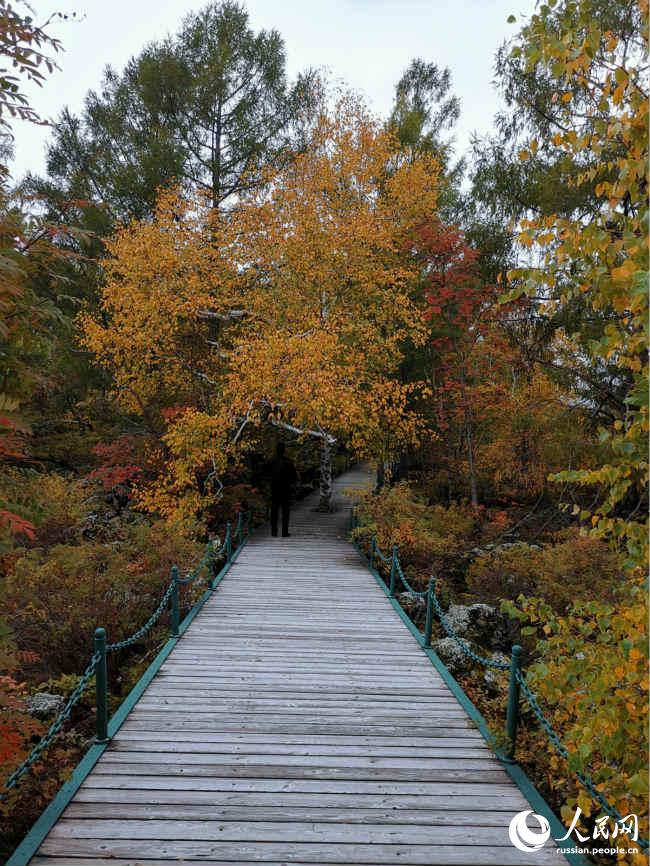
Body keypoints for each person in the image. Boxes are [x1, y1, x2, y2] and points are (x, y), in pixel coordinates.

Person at [268, 442, 297, 537]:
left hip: (274, 489)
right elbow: (294, 476)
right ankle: (284, 532)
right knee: (285, 512)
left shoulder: (271, 461)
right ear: (284, 450)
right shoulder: (288, 462)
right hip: (285, 489)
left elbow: (265, 473)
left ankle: (274, 532)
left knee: (274, 511)